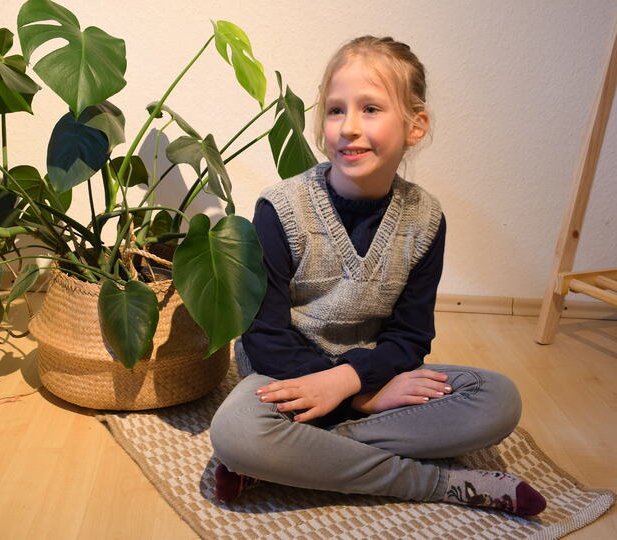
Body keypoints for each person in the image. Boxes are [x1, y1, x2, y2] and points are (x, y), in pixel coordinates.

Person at [209, 35, 546, 516]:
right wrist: (362, 398)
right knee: (236, 430)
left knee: (497, 400)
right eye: (335, 110)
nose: (348, 127)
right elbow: (264, 338)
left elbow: (410, 337)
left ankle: (289, 459)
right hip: (286, 378)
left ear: (415, 125)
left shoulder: (425, 219)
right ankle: (438, 483)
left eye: (370, 109)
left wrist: (350, 382)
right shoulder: (281, 209)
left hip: (374, 373)